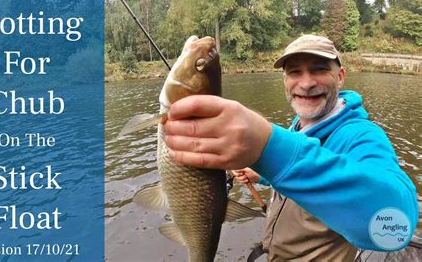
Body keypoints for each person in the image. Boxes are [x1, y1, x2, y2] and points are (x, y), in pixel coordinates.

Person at [163, 34, 418, 261]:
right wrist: (262, 171)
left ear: (340, 76)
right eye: (295, 72)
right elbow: (303, 168)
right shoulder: (298, 126)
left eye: (319, 69)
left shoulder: (362, 135)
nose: (306, 83)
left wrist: (269, 149)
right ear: (285, 80)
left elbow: (396, 228)